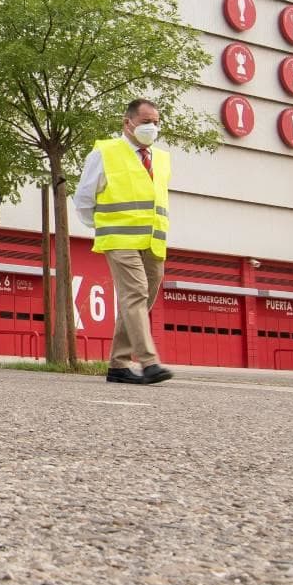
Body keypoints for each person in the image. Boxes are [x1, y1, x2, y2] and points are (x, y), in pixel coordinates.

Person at [74, 98, 174, 386]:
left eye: (156, 122)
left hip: (153, 242)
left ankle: (118, 366)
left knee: (139, 301)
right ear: (127, 122)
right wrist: (103, 226)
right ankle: (149, 362)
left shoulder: (161, 159)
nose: (152, 127)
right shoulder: (105, 152)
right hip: (119, 239)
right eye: (146, 122)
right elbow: (83, 199)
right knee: (136, 293)